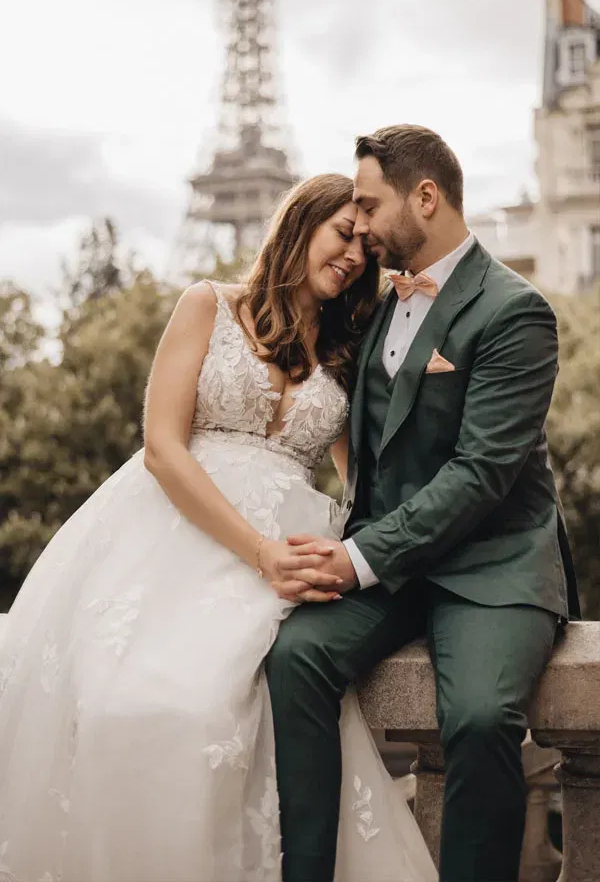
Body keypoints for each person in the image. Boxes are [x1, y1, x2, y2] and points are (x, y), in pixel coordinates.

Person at [0, 172, 437, 882]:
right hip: (173, 538)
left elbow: (367, 477)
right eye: (344, 234)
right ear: (300, 224)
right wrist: (259, 550)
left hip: (291, 552)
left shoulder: (345, 348)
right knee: (132, 708)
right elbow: (163, 449)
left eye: (368, 246)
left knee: (233, 711)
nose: (356, 255)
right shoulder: (206, 304)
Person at [267, 126, 580, 882]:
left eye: (370, 204)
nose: (361, 223)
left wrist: (355, 560)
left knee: (477, 719)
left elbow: (481, 474)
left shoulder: (516, 311)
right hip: (396, 563)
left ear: (426, 197)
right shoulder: (373, 306)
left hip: (491, 566)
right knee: (296, 656)